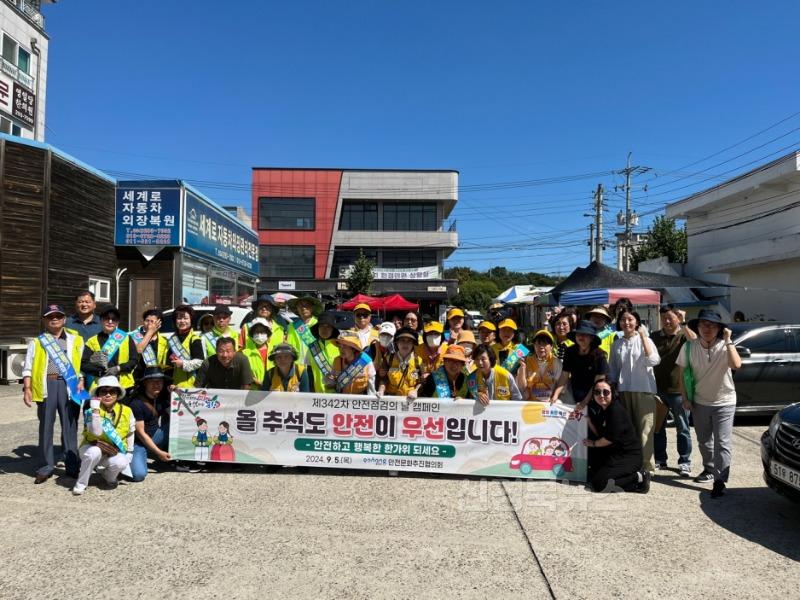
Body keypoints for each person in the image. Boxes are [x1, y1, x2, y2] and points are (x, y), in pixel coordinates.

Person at [677, 309, 742, 498]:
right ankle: (709, 468)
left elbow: (736, 365)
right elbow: (682, 375)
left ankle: (720, 480)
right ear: (697, 327)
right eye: (703, 324)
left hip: (725, 401)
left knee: (722, 442)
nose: (707, 328)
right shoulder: (689, 347)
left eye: (712, 325)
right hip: (700, 401)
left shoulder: (725, 346)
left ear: (719, 329)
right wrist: (685, 398)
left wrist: (729, 340)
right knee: (704, 441)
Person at [22, 303, 86, 483]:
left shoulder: (76, 339)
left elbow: (80, 363)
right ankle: (45, 466)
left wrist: (80, 380)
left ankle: (72, 464)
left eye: (58, 316)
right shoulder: (37, 342)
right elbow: (27, 367)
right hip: (46, 385)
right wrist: (27, 389)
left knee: (70, 426)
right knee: (46, 426)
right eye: (50, 317)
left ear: (64, 319)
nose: (55, 319)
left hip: (69, 385)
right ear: (44, 320)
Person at [608, 309, 661, 473]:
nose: (627, 323)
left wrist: (644, 337)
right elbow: (613, 370)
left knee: (646, 430)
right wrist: (613, 388)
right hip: (624, 392)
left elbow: (653, 360)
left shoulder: (646, 340)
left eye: (630, 319)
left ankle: (646, 465)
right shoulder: (617, 344)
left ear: (637, 322)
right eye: (623, 320)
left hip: (644, 390)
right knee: (629, 430)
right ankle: (631, 463)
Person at [72, 375, 135, 495]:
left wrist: (130, 452)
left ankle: (108, 476)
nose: (108, 395)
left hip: (113, 451)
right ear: (98, 395)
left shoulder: (127, 410)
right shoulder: (90, 411)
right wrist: (95, 411)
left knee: (122, 461)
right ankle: (81, 483)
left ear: (117, 394)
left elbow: (131, 432)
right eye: (103, 391)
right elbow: (96, 432)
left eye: (112, 391)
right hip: (91, 447)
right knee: (94, 452)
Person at [584, 380, 650, 493]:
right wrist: (588, 421)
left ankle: (638, 479)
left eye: (605, 392)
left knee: (600, 484)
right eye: (597, 392)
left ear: (612, 393)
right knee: (593, 474)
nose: (601, 395)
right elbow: (600, 434)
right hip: (615, 454)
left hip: (628, 457)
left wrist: (593, 444)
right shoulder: (603, 409)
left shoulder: (615, 411)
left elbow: (609, 439)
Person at [651, 305, 695, 476]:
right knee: (658, 427)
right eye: (663, 319)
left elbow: (695, 341)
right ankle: (660, 459)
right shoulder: (655, 336)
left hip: (679, 390)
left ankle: (685, 461)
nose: (667, 322)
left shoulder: (684, 335)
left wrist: (684, 323)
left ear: (677, 317)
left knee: (682, 427)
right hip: (658, 389)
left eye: (670, 318)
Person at [549, 320, 609, 410]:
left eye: (585, 334)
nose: (581, 337)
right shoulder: (570, 351)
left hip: (594, 394)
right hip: (573, 390)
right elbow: (565, 375)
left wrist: (584, 402)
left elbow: (598, 384)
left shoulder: (600, 356)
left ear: (591, 338)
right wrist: (556, 394)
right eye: (578, 334)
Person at [129, 367, 172, 482]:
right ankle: (134, 458)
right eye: (152, 381)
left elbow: (178, 415)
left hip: (156, 436)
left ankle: (160, 453)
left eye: (159, 381)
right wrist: (159, 453)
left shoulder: (162, 398)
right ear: (145, 383)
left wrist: (175, 393)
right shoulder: (136, 403)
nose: (156, 384)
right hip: (139, 443)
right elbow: (141, 434)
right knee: (138, 475)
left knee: (174, 425)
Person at [82, 305, 138, 393]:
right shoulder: (92, 341)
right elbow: (84, 364)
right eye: (106, 318)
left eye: (114, 319)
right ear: (101, 320)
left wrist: (119, 368)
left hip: (124, 385)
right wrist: (100, 372)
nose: (110, 321)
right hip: (100, 386)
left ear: (117, 322)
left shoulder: (126, 338)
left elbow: (134, 360)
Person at [377, 326, 424, 401]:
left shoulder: (418, 361)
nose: (405, 344)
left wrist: (416, 391)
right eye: (402, 340)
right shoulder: (388, 359)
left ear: (413, 344)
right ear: (397, 343)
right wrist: (381, 389)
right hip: (392, 400)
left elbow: (422, 381)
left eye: (409, 341)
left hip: (411, 400)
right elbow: (383, 378)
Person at [517, 329, 562, 402]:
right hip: (530, 401)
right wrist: (522, 367)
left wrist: (554, 396)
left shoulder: (557, 363)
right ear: (534, 346)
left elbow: (560, 385)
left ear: (551, 347)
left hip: (550, 402)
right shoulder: (526, 361)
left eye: (544, 343)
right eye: (538, 343)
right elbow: (522, 388)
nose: (541, 347)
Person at [168, 304, 205, 388]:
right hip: (175, 385)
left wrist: (183, 364)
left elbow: (200, 362)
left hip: (192, 385)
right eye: (179, 318)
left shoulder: (195, 339)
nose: (182, 321)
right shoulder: (171, 339)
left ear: (191, 320)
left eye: (185, 318)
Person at [130, 309, 170, 381]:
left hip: (156, 378)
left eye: (152, 321)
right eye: (147, 320)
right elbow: (139, 350)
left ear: (159, 323)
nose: (149, 324)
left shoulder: (164, 341)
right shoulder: (134, 336)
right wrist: (150, 332)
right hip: (137, 377)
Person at [332, 331, 377, 395]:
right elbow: (331, 385)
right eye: (339, 346)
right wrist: (330, 379)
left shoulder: (366, 361)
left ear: (353, 348)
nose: (341, 350)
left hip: (360, 400)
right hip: (342, 400)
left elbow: (371, 386)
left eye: (344, 346)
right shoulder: (337, 361)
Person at [307, 311, 340, 393]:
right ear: (317, 328)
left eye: (328, 327)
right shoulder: (312, 348)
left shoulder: (340, 346)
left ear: (333, 329)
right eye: (321, 326)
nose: (324, 329)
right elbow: (309, 372)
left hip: (338, 395)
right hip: (317, 395)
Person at [286, 295, 323, 364]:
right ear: (297, 309)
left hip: (316, 365)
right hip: (296, 365)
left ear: (312, 308)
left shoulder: (320, 325)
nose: (303, 308)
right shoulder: (291, 326)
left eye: (307, 305)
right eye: (300, 306)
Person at [240, 318, 273, 389]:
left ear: (268, 334)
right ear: (252, 335)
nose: (259, 334)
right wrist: (258, 382)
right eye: (256, 332)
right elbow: (244, 373)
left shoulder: (274, 351)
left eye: (262, 332)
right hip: (253, 393)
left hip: (273, 391)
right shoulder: (245, 353)